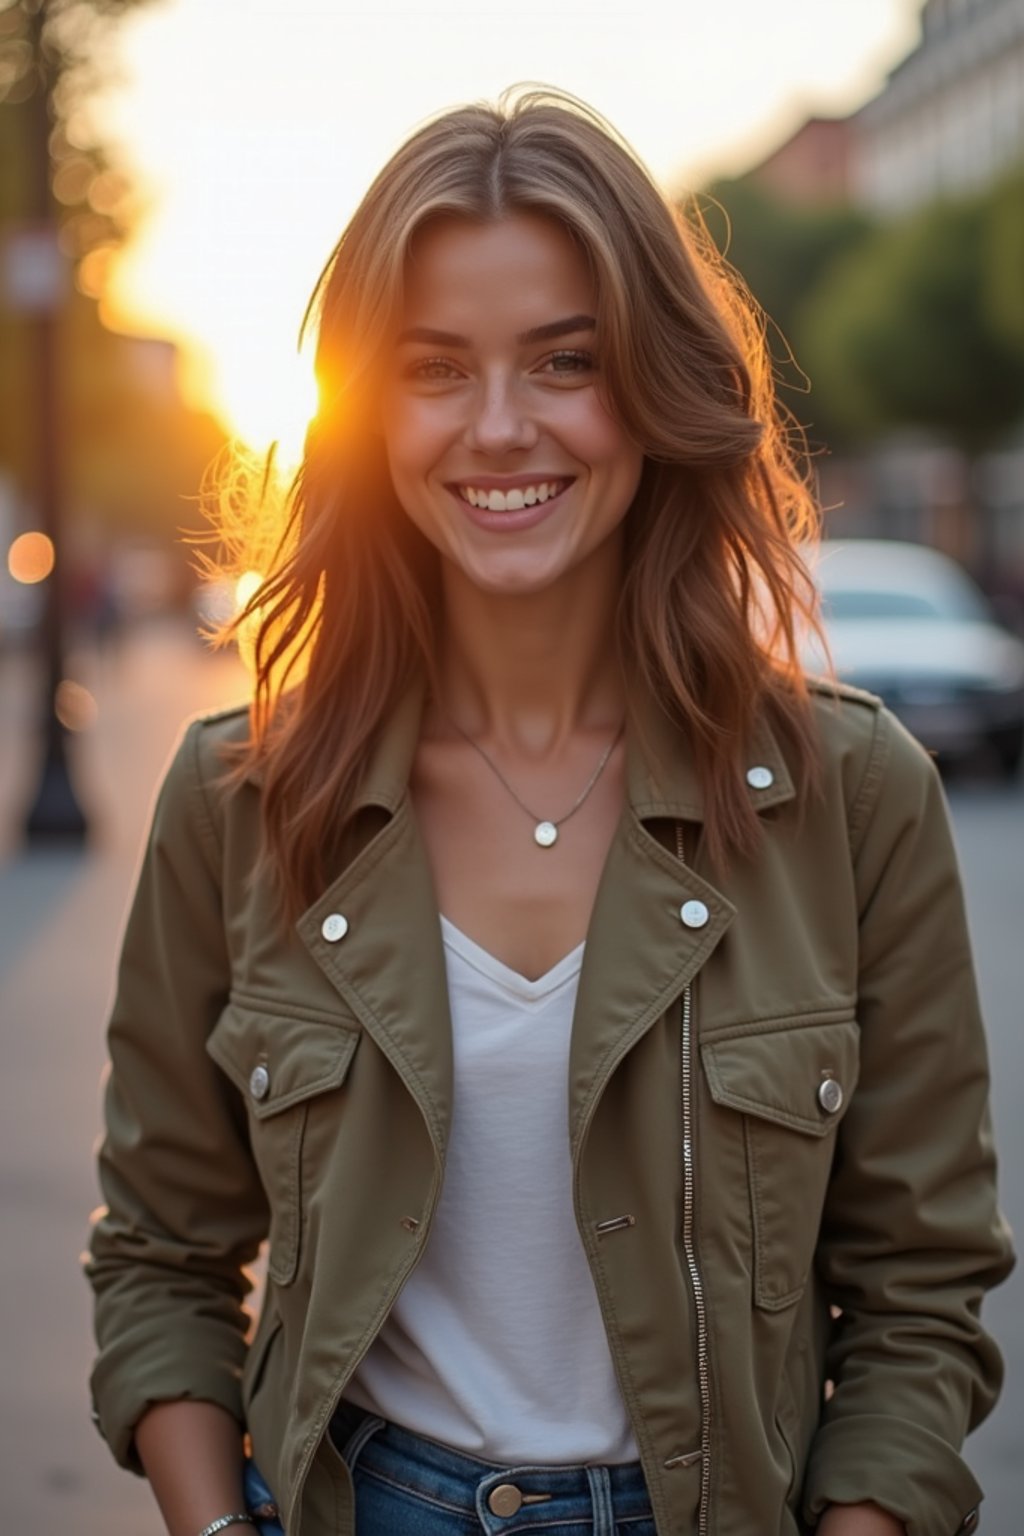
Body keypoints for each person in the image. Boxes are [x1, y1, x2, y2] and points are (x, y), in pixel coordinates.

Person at [85, 87, 1013, 1536]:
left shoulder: (855, 795)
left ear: (653, 387)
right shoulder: (240, 796)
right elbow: (160, 1253)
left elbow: (921, 1291)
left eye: (566, 362)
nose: (502, 428)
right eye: (437, 369)